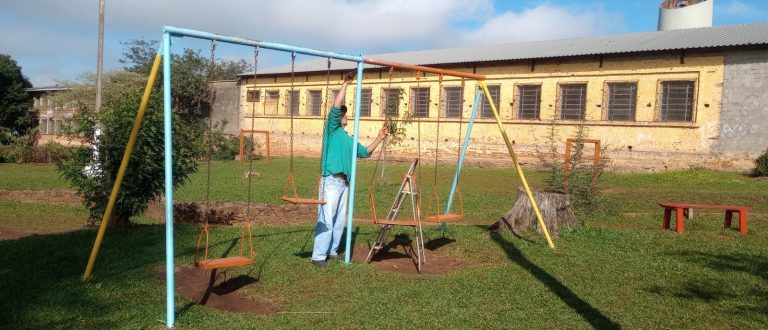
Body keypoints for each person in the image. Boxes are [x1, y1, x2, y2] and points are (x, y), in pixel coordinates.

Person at [311, 72, 389, 267]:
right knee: (326, 219)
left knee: (339, 221)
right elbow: (335, 108)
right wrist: (346, 83)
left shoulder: (347, 138)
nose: (345, 115)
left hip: (344, 183)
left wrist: (379, 139)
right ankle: (318, 256)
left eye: (345, 113)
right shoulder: (332, 130)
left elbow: (364, 152)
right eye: (343, 114)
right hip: (330, 180)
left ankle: (333, 250)